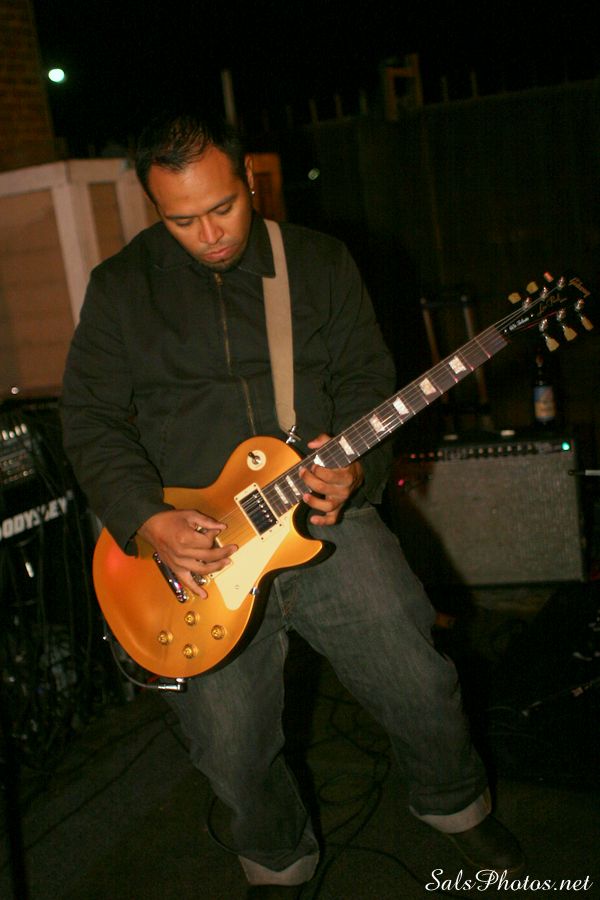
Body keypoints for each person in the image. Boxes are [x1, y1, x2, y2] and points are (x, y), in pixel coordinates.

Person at [61, 111, 523, 895]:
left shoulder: (315, 261)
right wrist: (147, 518)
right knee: (229, 743)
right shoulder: (121, 288)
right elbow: (91, 420)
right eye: (181, 219)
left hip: (318, 518)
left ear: (250, 181)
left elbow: (366, 381)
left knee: (418, 678)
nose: (209, 234)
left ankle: (455, 807)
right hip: (193, 553)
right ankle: (278, 862)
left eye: (222, 207)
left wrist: (358, 470)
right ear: (153, 205)